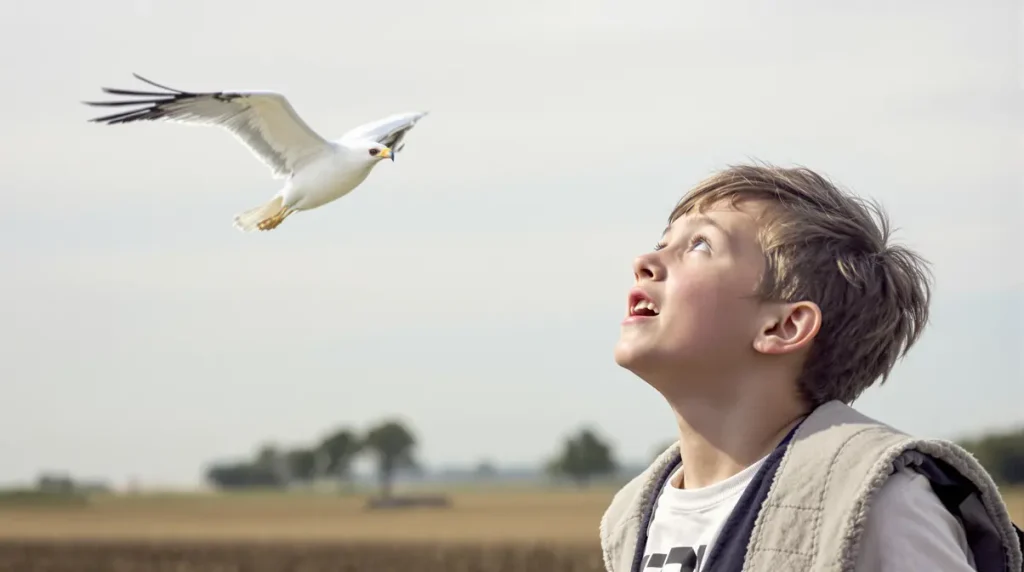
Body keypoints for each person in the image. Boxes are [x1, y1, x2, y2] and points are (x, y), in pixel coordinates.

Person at [599, 163, 1023, 572]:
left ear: (784, 326)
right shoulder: (631, 519)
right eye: (662, 243)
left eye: (701, 245)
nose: (644, 261)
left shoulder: (879, 503)